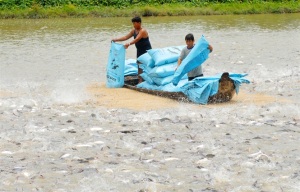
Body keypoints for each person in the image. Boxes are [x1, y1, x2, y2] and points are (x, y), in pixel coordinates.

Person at [112, 16, 152, 83]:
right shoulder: (134, 31)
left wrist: (129, 44)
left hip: (146, 50)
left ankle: (150, 79)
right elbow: (125, 37)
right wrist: (116, 40)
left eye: (134, 23)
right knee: (139, 65)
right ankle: (140, 81)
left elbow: (136, 39)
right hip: (139, 50)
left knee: (147, 65)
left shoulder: (143, 31)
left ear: (139, 23)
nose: (133, 25)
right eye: (133, 23)